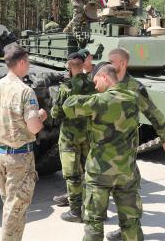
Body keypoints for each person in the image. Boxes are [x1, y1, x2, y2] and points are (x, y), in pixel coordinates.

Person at [63, 62, 165, 241]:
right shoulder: (133, 97)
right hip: (126, 171)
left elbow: (68, 105)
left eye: (96, 81)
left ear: (105, 77)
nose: (95, 86)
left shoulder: (98, 101)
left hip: (99, 173)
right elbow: (156, 115)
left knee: (94, 222)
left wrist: (79, 82)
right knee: (131, 221)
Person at [104, 48, 165, 241]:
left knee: (127, 191)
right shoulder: (105, 81)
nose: (109, 65)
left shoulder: (135, 87)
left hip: (125, 149)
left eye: (112, 61)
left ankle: (131, 232)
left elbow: (153, 113)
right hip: (103, 149)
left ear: (123, 63)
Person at [0, 44, 47, 241]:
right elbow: (34, 127)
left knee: (9, 203)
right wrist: (41, 116)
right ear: (22, 62)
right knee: (16, 206)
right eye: (28, 62)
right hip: (19, 156)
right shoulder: (24, 91)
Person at [50, 53, 97, 222]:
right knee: (89, 171)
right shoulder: (94, 84)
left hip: (70, 137)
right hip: (89, 134)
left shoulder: (66, 87)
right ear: (83, 65)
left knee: (72, 174)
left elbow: (56, 113)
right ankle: (95, 209)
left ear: (69, 66)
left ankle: (76, 212)